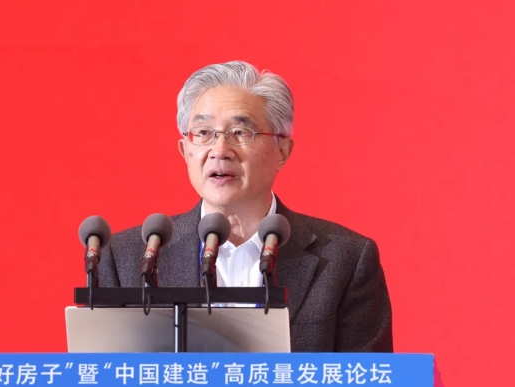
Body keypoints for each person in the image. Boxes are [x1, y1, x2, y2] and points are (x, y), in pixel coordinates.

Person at [98, 60, 393, 353]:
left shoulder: (345, 260)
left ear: (282, 151)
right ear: (185, 151)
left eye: (240, 133)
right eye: (203, 133)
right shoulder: (127, 258)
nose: (220, 151)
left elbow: (367, 379)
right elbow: (103, 375)